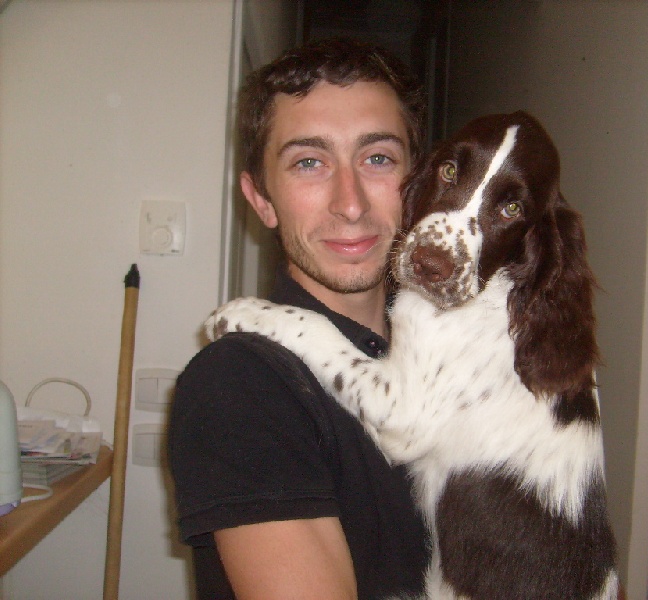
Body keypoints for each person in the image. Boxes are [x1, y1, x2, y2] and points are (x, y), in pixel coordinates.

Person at [167, 38, 430, 600]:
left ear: (420, 185)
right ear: (262, 200)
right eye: (309, 163)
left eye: (378, 158)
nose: (350, 203)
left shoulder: (452, 363)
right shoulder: (240, 385)